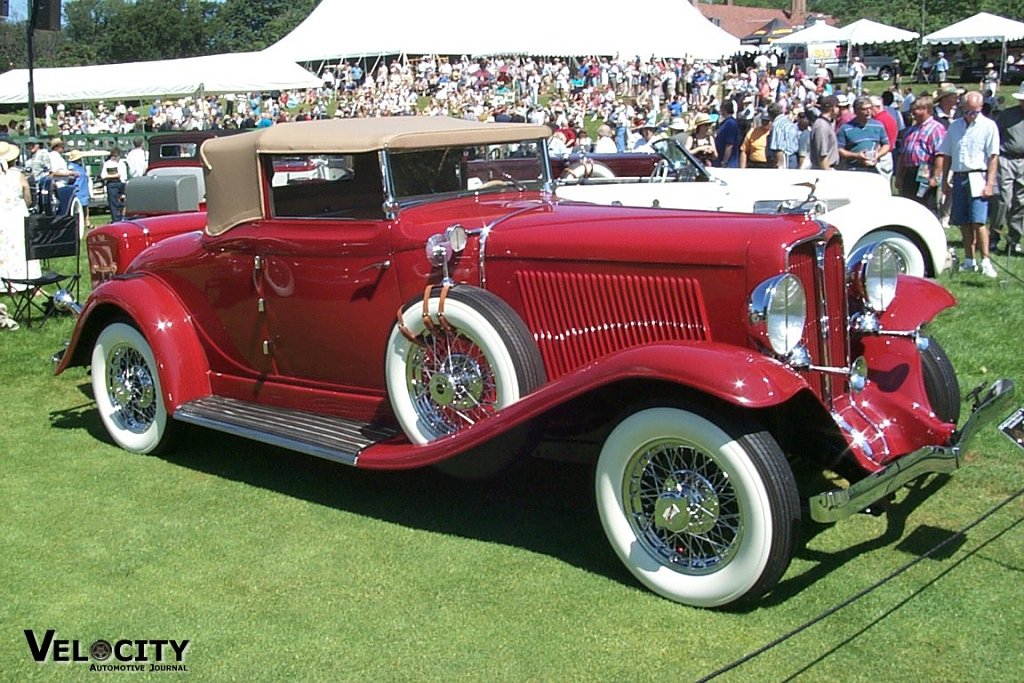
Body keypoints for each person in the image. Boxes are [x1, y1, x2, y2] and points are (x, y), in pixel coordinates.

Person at [933, 91, 1000, 278]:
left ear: (980, 109)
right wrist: (945, 180)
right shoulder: (954, 126)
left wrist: (990, 183)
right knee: (963, 222)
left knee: (978, 221)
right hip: (959, 176)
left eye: (975, 111)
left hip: (978, 175)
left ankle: (986, 260)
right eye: (968, 111)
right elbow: (947, 155)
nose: (971, 115)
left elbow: (993, 157)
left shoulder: (989, 126)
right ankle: (969, 259)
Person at [989, 82, 1024, 255]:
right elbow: (996, 136)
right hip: (1006, 159)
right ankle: (994, 237)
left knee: (1020, 203)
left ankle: (1014, 239)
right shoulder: (1007, 115)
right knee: (1003, 199)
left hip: (1023, 162)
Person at [894, 95, 945, 210]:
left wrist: (935, 177)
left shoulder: (936, 128)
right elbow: (902, 155)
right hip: (909, 172)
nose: (913, 113)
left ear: (927, 109)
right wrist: (899, 176)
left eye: (916, 109)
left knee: (925, 205)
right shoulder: (911, 130)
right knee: (908, 204)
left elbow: (940, 155)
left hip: (925, 171)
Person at [0, 140, 38, 292]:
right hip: (17, 216)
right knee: (23, 249)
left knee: (5, 249)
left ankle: (6, 283)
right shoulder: (17, 176)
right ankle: (29, 281)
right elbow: (27, 197)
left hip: (2, 216)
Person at [837, 96, 890, 172]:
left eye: (870, 108)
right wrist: (856, 156)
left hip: (873, 168)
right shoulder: (845, 128)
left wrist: (878, 154)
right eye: (864, 109)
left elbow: (886, 145)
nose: (868, 111)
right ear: (856, 111)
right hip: (853, 169)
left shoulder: (878, 126)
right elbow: (839, 150)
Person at [810, 95, 840, 170]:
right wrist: (827, 175)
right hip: (825, 169)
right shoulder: (821, 126)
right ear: (833, 108)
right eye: (838, 106)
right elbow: (822, 155)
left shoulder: (826, 124)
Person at [766, 102, 799, 169]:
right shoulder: (789, 122)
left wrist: (780, 165)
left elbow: (778, 147)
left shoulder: (777, 125)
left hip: (785, 159)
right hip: (793, 157)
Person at [101, 147, 129, 222]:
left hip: (121, 184)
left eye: (117, 156)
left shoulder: (122, 163)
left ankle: (123, 218)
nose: (115, 158)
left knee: (123, 203)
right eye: (114, 156)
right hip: (112, 184)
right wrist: (114, 176)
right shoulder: (108, 164)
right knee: (113, 204)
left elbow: (124, 176)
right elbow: (103, 176)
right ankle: (116, 220)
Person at [66, 150, 92, 229]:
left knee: (85, 206)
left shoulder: (80, 167)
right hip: (77, 188)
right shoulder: (71, 167)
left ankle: (87, 222)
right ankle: (78, 223)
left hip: (84, 189)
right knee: (78, 207)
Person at [715, 100, 740, 168]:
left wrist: (725, 161)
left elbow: (729, 144)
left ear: (724, 109)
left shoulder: (731, 123)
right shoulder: (725, 123)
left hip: (729, 162)